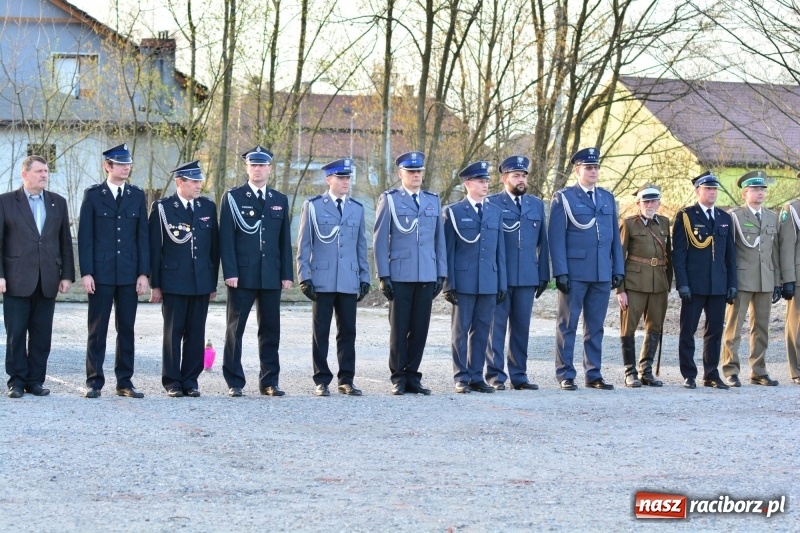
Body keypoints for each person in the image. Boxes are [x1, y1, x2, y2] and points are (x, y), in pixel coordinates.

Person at [219, 146, 293, 397]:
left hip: (271, 274)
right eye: (253, 165)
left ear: (270, 168)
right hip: (242, 274)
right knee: (235, 329)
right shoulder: (233, 197)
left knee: (271, 330)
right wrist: (230, 271)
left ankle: (269, 380)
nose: (258, 169)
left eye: (262, 165)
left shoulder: (279, 200)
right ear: (247, 168)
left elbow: (284, 240)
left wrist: (286, 273)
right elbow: (226, 238)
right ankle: (235, 381)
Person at [548, 147, 624, 391]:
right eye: (588, 167)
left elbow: (614, 238)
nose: (593, 171)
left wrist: (617, 269)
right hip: (575, 271)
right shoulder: (565, 198)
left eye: (596, 167)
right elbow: (556, 238)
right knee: (567, 324)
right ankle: (565, 374)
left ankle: (593, 373)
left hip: (602, 271)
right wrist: (560, 272)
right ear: (577, 170)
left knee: (596, 326)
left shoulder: (606, 198)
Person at [78, 144, 149, 399]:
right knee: (97, 329)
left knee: (127, 329)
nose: (125, 167)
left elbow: (143, 237)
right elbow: (85, 237)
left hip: (129, 274)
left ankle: (124, 381)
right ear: (107, 166)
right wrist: (86, 272)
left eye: (128, 163)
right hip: (101, 273)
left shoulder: (137, 196)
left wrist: (144, 274)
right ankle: (94, 381)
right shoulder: (94, 195)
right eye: (120, 164)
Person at [1, 155, 74, 398]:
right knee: (16, 334)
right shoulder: (6, 202)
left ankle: (35, 381)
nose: (44, 175)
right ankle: (17, 381)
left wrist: (67, 275)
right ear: (25, 174)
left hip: (48, 280)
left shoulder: (58, 202)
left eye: (46, 171)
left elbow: (65, 241)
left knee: (42, 335)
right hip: (16, 279)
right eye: (39, 171)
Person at [373, 151, 446, 395]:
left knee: (420, 328)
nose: (416, 175)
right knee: (399, 327)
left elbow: (439, 241)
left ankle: (413, 375)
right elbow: (380, 239)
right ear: (400, 174)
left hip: (426, 272)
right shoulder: (390, 200)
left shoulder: (432, 200)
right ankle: (398, 376)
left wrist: (441, 274)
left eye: (419, 172)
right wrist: (383, 275)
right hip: (400, 274)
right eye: (411, 172)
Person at [296, 158, 371, 396]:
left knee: (348, 331)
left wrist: (364, 276)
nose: (345, 182)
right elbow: (304, 244)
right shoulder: (314, 205)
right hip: (322, 278)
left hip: (348, 279)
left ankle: (346, 379)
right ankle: (321, 379)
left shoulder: (356, 208)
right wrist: (304, 276)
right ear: (329, 180)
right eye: (341, 178)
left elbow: (361, 245)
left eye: (348, 178)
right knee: (321, 332)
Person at [148, 161, 219, 397]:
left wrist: (212, 281)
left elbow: (213, 248)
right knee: (173, 333)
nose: (199, 185)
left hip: (200, 281)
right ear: (180, 182)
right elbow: (154, 249)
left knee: (196, 333)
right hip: (174, 281)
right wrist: (155, 285)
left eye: (200, 180)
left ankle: (190, 380)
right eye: (194, 181)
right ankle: (172, 381)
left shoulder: (207, 207)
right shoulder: (163, 208)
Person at [485, 156, 549, 391]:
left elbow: (543, 242)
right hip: (501, 277)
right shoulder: (492, 203)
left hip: (527, 277)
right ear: (504, 179)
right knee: (497, 328)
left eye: (523, 176)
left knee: (521, 328)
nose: (521, 180)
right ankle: (495, 375)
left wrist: (544, 275)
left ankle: (519, 376)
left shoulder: (536, 205)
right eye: (516, 176)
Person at [443, 160, 507, 394]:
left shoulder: (495, 212)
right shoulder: (454, 212)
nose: (486, 185)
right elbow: (448, 251)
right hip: (464, 281)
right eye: (481, 181)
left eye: (487, 181)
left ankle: (476, 375)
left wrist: (502, 282)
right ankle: (461, 376)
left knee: (482, 331)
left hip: (489, 281)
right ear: (468, 184)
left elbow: (500, 251)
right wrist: (448, 283)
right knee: (460, 331)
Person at [672, 171, 737, 390]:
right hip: (694, 283)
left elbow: (730, 255)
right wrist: (682, 283)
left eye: (714, 189)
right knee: (688, 330)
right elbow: (679, 254)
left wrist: (732, 284)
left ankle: (711, 374)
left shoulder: (724, 218)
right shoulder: (686, 216)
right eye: (708, 189)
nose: (712, 193)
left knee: (715, 331)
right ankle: (689, 374)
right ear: (698, 190)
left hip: (718, 284)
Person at [721, 171, 782, 387]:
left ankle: (758, 370)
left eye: (762, 189)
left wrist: (777, 282)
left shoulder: (772, 217)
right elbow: (728, 251)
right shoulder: (735, 216)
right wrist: (729, 281)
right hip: (742, 278)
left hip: (765, 278)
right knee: (734, 326)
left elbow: (774, 251)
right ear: (745, 193)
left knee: (762, 328)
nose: (760, 193)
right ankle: (730, 369)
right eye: (755, 190)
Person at [616, 184, 671, 388]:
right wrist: (620, 289)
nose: (649, 204)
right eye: (645, 201)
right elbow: (620, 257)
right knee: (628, 326)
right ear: (638, 203)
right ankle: (630, 371)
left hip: (659, 282)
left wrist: (668, 283)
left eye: (653, 201)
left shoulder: (664, 222)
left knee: (655, 326)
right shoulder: (629, 223)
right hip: (634, 283)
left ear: (659, 202)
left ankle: (646, 370)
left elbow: (669, 254)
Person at [778, 187, 800, 385]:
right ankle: (797, 369)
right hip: (799, 276)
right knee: (797, 326)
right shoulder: (792, 209)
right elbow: (786, 247)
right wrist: (788, 279)